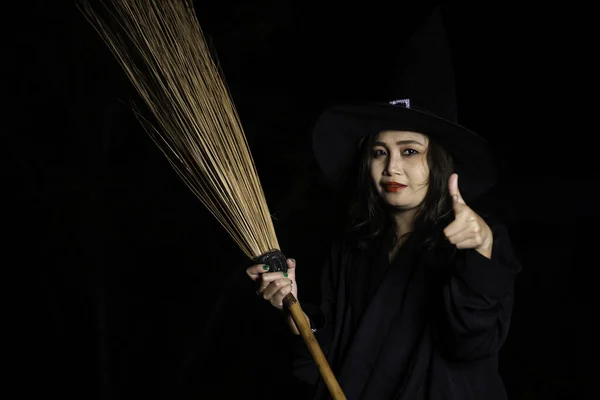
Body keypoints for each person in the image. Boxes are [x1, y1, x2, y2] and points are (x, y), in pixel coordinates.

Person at [246, 7, 521, 400]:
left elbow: (471, 346)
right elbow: (328, 359)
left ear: (440, 163)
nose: (391, 168)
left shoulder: (484, 244)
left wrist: (479, 250)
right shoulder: (354, 247)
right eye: (379, 152)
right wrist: (294, 312)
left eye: (410, 151)